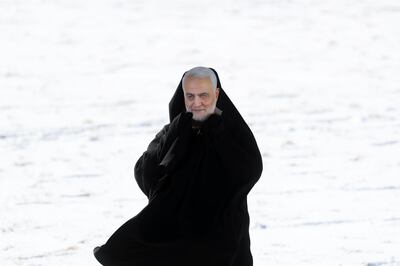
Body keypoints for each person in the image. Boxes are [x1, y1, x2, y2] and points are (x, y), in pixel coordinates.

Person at [93, 67, 263, 266]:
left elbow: (250, 171)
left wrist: (217, 133)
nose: (196, 103)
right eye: (190, 96)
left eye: (203, 95)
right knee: (120, 252)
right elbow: (145, 173)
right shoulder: (174, 129)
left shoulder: (232, 132)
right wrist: (176, 134)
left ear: (216, 94)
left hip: (219, 233)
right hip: (171, 228)